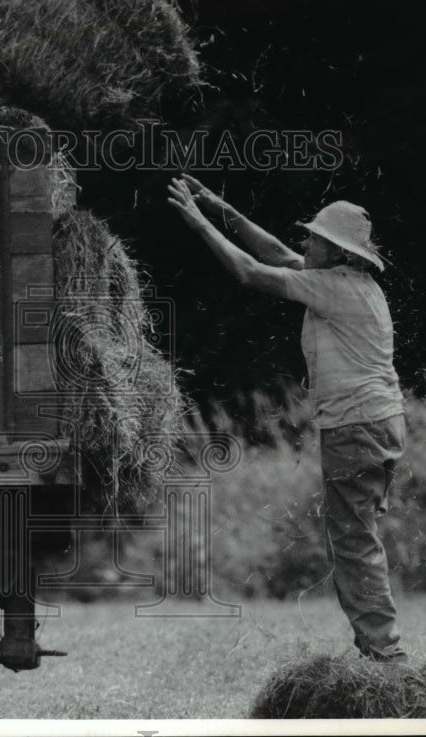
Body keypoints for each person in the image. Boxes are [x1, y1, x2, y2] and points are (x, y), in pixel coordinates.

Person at [168, 174, 409, 664]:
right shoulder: (348, 283)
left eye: (315, 239)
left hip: (357, 428)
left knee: (353, 540)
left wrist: (196, 223)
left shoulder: (337, 290)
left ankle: (384, 653)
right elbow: (277, 253)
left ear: (337, 252)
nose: (305, 243)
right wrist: (220, 207)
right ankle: (378, 648)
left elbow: (251, 273)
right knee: (356, 535)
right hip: (379, 422)